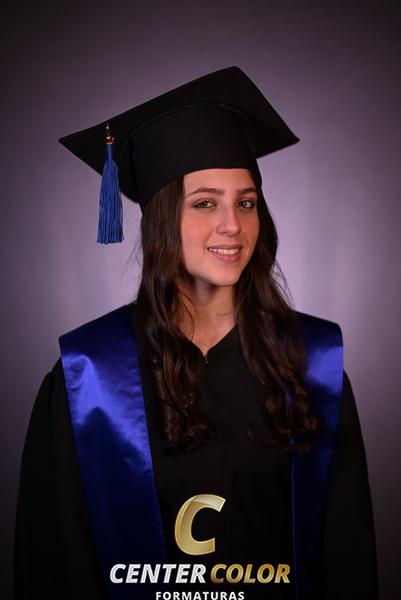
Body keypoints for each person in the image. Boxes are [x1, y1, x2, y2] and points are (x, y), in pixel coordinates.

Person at [14, 67, 379, 600]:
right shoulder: (89, 376)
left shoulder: (311, 364)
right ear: (161, 218)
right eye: (205, 202)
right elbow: (56, 562)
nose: (232, 224)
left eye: (246, 202)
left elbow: (346, 555)